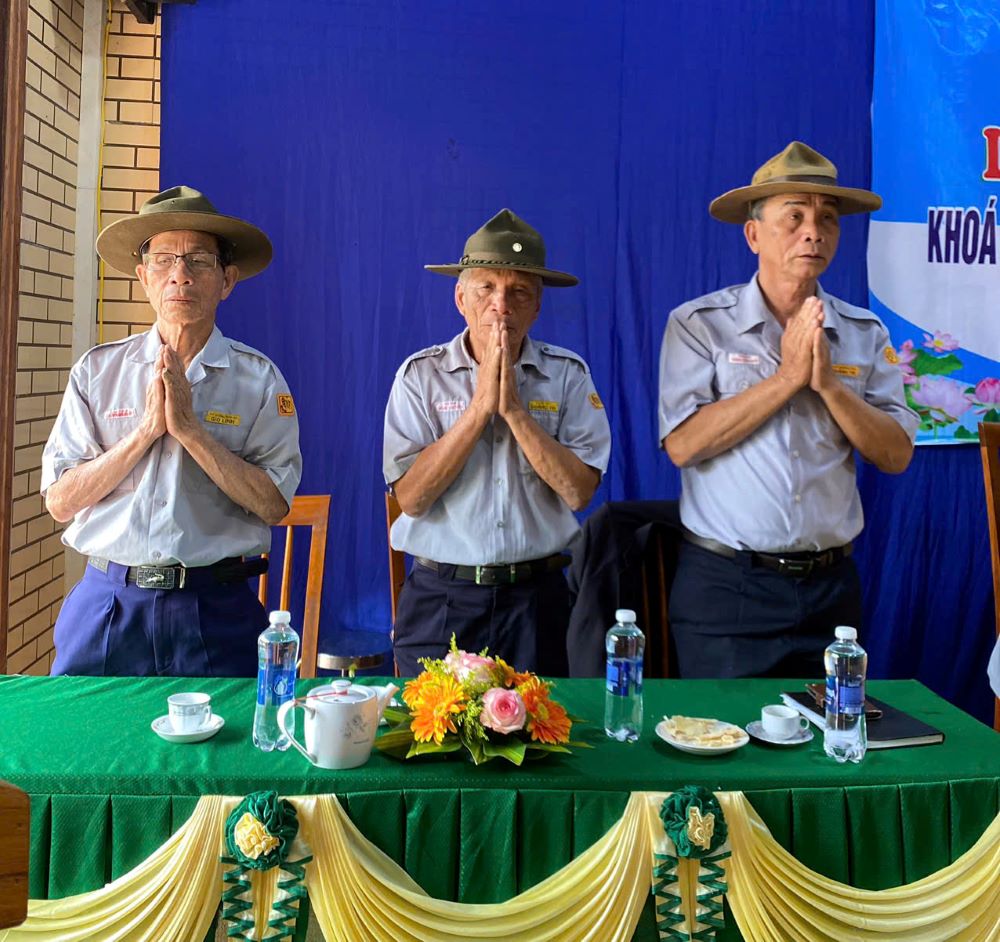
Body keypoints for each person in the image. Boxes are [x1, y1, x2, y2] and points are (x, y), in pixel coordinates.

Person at [659, 142, 919, 678]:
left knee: (831, 730)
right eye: (794, 217)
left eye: (827, 219)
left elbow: (895, 455)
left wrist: (828, 386)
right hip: (728, 588)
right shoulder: (700, 325)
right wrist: (785, 380)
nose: (813, 232)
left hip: (830, 592)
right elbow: (683, 445)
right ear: (754, 234)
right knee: (724, 731)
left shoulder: (864, 332)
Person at [41, 186, 301, 676]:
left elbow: (274, 505)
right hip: (109, 603)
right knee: (83, 725)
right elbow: (60, 502)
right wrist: (145, 432)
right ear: (144, 277)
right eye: (163, 261)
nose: (180, 274)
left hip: (214, 606)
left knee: (228, 729)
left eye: (199, 261)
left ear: (226, 280)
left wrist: (190, 432)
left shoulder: (259, 380)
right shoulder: (97, 372)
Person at [384, 209, 611, 676]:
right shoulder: (420, 376)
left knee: (541, 723)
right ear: (461, 298)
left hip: (537, 602)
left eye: (519, 291)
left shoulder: (568, 375)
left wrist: (514, 412)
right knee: (434, 724)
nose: (501, 305)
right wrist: (478, 411)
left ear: (537, 306)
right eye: (486, 288)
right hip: (441, 599)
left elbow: (579, 492)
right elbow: (411, 498)